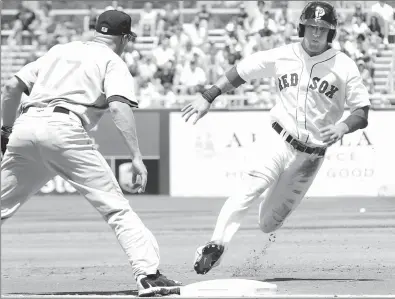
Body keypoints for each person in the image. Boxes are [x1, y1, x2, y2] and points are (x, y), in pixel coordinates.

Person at [181, 1, 370, 275]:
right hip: (278, 138)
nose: (316, 34)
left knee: (268, 223)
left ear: (331, 33)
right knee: (249, 188)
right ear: (302, 27)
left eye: (322, 29)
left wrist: (344, 127)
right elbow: (241, 71)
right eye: (311, 27)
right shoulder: (283, 55)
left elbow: (362, 112)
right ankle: (216, 244)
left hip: (309, 156)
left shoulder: (344, 66)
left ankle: (267, 200)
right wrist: (208, 96)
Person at [1, 10, 181, 296]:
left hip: (26, 124)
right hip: (65, 129)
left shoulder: (59, 50)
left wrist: (6, 131)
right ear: (123, 38)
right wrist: (136, 156)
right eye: (127, 39)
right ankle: (148, 275)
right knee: (116, 208)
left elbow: (12, 87)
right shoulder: (112, 60)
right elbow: (119, 107)